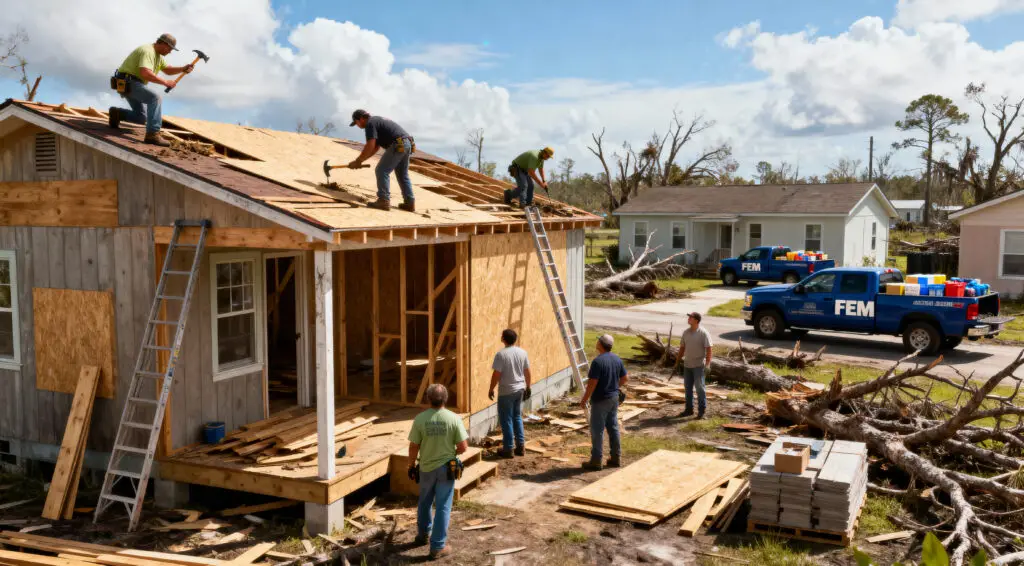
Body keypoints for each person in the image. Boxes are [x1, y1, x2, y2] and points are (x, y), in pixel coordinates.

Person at [408, 384, 468, 560]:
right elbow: (463, 447)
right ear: (446, 399)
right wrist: (450, 453)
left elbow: (413, 446)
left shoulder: (420, 419)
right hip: (446, 469)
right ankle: (438, 547)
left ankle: (423, 535)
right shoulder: (454, 418)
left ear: (428, 398)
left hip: (426, 468)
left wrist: (411, 466)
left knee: (424, 502)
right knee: (443, 506)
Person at [108, 34, 195, 147]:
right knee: (155, 98)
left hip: (129, 83)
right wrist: (165, 82)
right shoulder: (147, 51)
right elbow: (145, 73)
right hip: (128, 82)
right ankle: (152, 134)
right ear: (163, 44)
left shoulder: (158, 57)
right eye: (169, 48)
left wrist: (182, 69)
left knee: (140, 117)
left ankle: (117, 114)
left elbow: (167, 70)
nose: (170, 52)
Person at [348, 109, 417, 213]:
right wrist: (360, 161)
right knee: (402, 174)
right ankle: (409, 203)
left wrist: (358, 160)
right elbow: (375, 147)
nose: (357, 126)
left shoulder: (370, 124)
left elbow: (370, 145)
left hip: (398, 144)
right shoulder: (377, 121)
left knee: (381, 170)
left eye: (356, 123)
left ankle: (383, 200)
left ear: (361, 119)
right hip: (406, 143)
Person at [579, 334, 629, 471]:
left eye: (598, 341)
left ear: (600, 344)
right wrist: (614, 386)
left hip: (600, 400)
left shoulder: (597, 362)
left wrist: (584, 400)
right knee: (613, 428)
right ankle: (615, 457)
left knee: (597, 430)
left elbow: (592, 384)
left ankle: (596, 460)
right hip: (613, 399)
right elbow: (625, 378)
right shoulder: (617, 359)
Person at [488, 329, 533, 459]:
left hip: (506, 391)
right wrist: (528, 387)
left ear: (503, 339)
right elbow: (527, 371)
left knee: (506, 419)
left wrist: (491, 389)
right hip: (520, 390)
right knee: (517, 417)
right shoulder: (522, 352)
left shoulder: (501, 355)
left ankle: (508, 449)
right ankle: (521, 446)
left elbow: (496, 374)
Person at [677, 312, 713, 419]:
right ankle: (689, 410)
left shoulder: (703, 333)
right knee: (688, 388)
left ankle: (701, 411)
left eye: (690, 317)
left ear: (696, 320)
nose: (688, 319)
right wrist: (677, 360)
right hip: (687, 365)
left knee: (700, 388)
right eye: (688, 317)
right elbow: (682, 348)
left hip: (698, 366)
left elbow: (709, 349)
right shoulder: (686, 333)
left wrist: (707, 364)